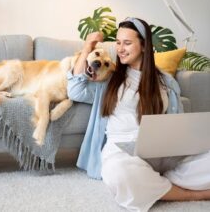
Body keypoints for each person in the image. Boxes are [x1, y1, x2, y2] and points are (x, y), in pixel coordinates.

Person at [67, 17, 210, 211]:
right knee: (120, 174)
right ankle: (194, 194)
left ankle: (155, 183)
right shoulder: (109, 79)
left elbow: (177, 125)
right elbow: (75, 90)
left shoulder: (166, 83)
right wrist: (87, 47)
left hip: (160, 151)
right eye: (118, 43)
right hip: (121, 152)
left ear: (144, 46)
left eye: (127, 43)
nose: (120, 49)